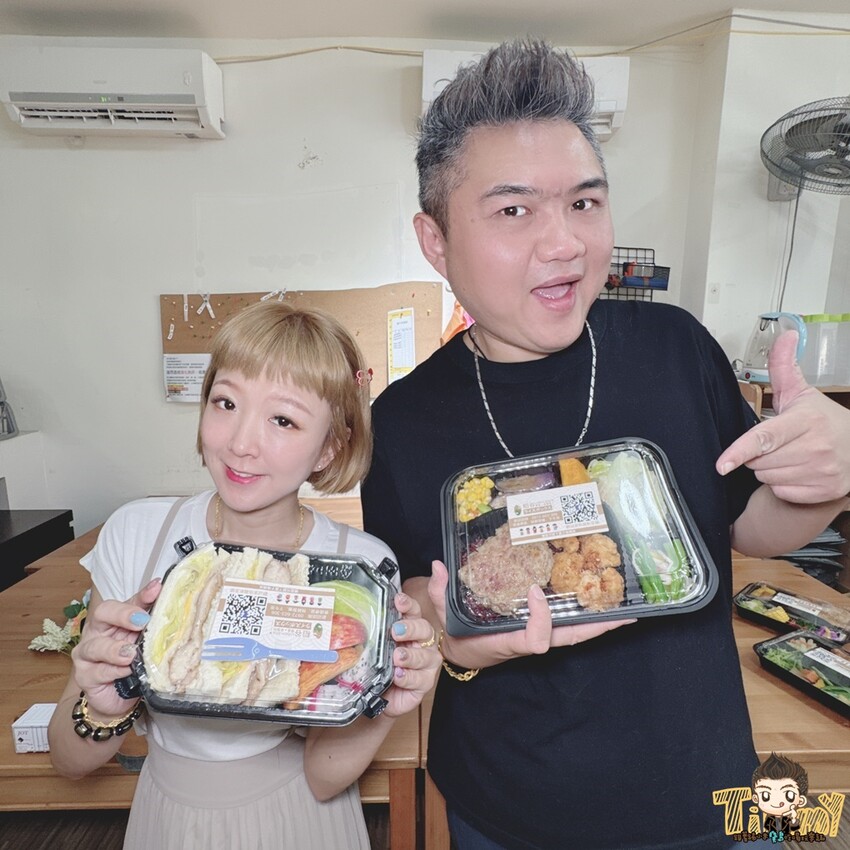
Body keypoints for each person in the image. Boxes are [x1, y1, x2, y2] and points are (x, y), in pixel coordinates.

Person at [361, 37, 850, 850]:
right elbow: (414, 599)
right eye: (514, 211)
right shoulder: (403, 419)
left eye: (584, 203)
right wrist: (460, 636)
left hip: (710, 794)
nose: (564, 242)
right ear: (435, 240)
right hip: (505, 810)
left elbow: (747, 526)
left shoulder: (675, 348)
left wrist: (833, 474)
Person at [48, 300, 441, 850]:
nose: (240, 443)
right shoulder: (137, 534)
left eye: (283, 420)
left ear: (329, 447)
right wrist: (102, 704)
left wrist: (381, 706)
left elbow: (324, 777)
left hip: (299, 821)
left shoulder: (358, 569)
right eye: (226, 402)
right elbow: (70, 761)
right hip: (163, 817)